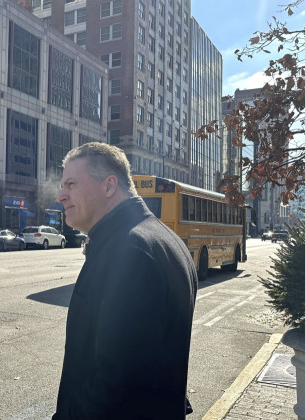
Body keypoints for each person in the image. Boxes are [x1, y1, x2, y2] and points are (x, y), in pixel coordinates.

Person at [52, 142, 198, 419]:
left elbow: (117, 383)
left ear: (108, 186)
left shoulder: (130, 251)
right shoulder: (164, 239)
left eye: (71, 184)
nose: (61, 195)